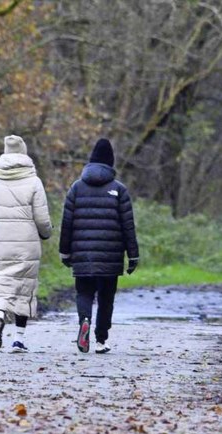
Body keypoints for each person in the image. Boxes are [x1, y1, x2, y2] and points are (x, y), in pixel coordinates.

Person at [59, 138, 139, 354]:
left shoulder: (76, 188)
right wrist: (133, 256)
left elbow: (67, 223)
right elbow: (128, 226)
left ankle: (84, 321)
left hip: (83, 255)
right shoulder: (119, 190)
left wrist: (65, 251)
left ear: (91, 161)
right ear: (110, 163)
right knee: (106, 298)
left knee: (84, 293)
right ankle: (101, 340)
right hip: (110, 257)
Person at [0, 135, 52, 353]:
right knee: (23, 287)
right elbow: (42, 218)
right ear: (24, 153)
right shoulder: (34, 181)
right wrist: (46, 234)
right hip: (26, 244)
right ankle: (19, 339)